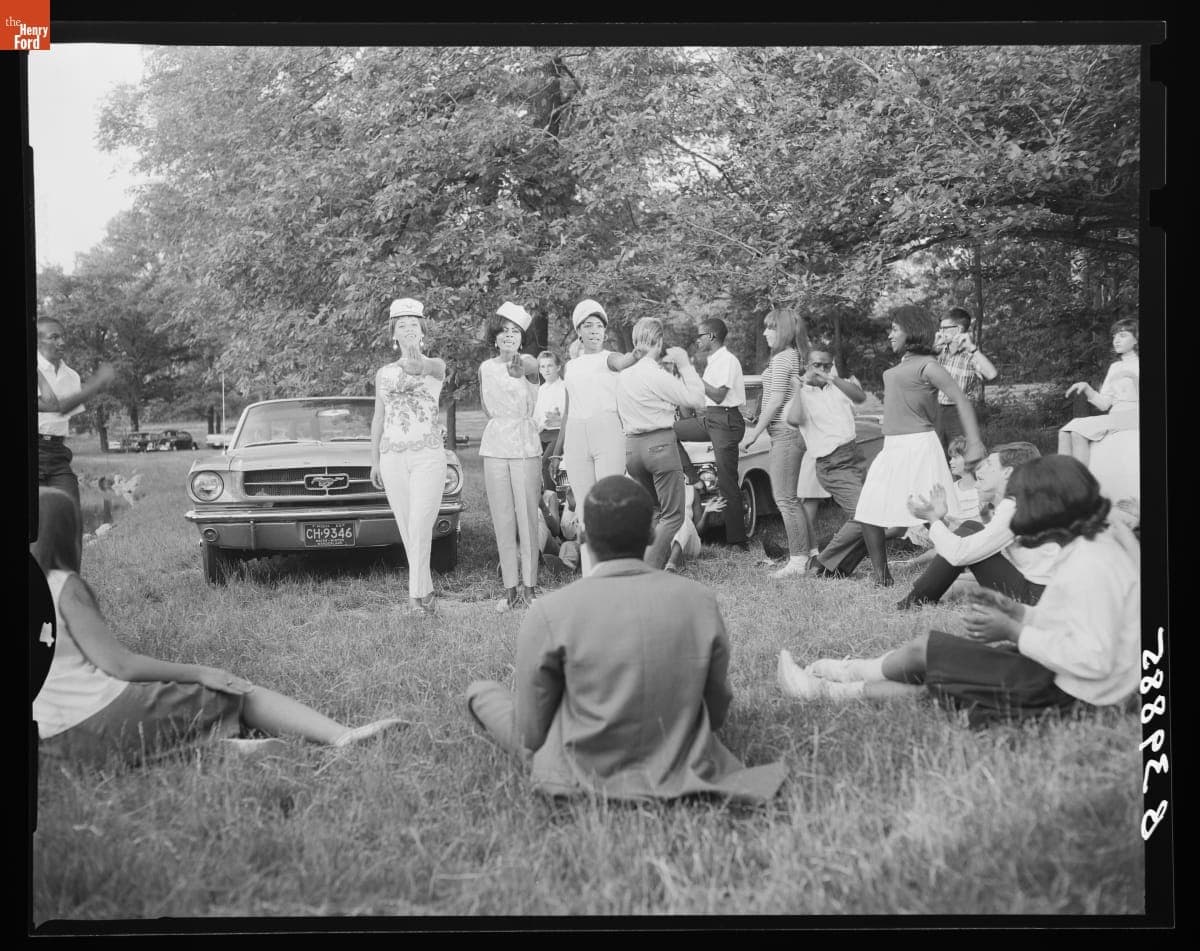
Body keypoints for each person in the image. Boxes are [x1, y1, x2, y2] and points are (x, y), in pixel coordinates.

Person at [464, 476, 787, 804]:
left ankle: (481, 694)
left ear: (584, 535)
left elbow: (530, 735)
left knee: (482, 692)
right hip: (681, 765)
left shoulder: (549, 611)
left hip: (579, 774)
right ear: (651, 534)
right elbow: (716, 714)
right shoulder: (699, 600)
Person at [32, 488, 404, 769]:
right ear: (67, 533)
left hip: (57, 746)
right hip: (101, 717)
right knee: (236, 692)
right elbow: (120, 666)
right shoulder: (63, 584)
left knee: (147, 741)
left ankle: (227, 751)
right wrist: (202, 672)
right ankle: (341, 736)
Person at [777, 456, 1139, 729]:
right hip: (1072, 682)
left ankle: (826, 687)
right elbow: (1081, 625)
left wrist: (1016, 632)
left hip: (1073, 695)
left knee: (937, 678)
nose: (1015, 514)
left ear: (1046, 507)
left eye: (1021, 505)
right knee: (934, 662)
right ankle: (842, 674)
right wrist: (1020, 614)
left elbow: (1094, 658)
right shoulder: (1091, 547)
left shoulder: (1093, 564)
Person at [848, 305, 986, 587]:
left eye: (895, 329)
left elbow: (960, 399)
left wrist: (974, 442)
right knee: (868, 510)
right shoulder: (903, 365)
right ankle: (881, 577)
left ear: (911, 331)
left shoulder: (929, 365)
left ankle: (970, 559)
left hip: (920, 446)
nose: (890, 335)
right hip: (893, 446)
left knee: (934, 514)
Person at [896, 442, 1055, 610]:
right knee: (971, 528)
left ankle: (912, 602)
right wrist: (938, 519)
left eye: (990, 465)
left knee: (966, 540)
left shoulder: (1014, 507)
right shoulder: (1026, 500)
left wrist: (933, 519)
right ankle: (916, 599)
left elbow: (960, 554)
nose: (981, 469)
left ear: (1007, 472)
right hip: (1041, 593)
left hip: (1035, 601)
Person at [783, 346, 892, 583]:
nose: (822, 369)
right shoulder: (800, 394)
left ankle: (832, 566)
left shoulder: (838, 386)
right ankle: (873, 573)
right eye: (816, 365)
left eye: (826, 364)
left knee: (874, 515)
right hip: (832, 464)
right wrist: (799, 389)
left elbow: (861, 398)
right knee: (866, 513)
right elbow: (794, 419)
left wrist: (833, 377)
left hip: (854, 455)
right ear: (806, 366)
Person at [369, 297, 448, 617]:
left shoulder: (436, 365)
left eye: (414, 324)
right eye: (402, 325)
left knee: (419, 525)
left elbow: (429, 368)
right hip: (392, 457)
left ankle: (414, 600)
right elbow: (378, 418)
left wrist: (419, 362)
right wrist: (374, 459)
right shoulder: (383, 374)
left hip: (427, 455)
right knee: (406, 526)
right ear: (394, 335)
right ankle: (426, 593)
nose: (409, 329)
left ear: (422, 331)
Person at [615, 317, 707, 569]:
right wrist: (685, 365)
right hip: (660, 446)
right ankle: (647, 570)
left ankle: (651, 560)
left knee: (653, 511)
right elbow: (697, 399)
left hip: (632, 448)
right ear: (659, 341)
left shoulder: (623, 376)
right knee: (674, 515)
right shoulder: (656, 375)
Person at [479, 302, 543, 613]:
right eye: (503, 331)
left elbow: (528, 368)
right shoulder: (485, 368)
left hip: (525, 444)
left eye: (514, 332)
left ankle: (530, 588)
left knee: (527, 516)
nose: (508, 336)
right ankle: (510, 589)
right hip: (494, 446)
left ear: (521, 338)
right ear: (494, 337)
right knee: (502, 518)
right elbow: (485, 405)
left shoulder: (529, 364)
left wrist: (522, 366)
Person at [739, 308, 812, 579]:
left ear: (782, 331)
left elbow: (776, 399)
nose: (765, 333)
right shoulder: (795, 356)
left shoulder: (783, 358)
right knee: (794, 498)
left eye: (770, 328)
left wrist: (755, 433)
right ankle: (810, 553)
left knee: (785, 499)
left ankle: (797, 561)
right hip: (792, 432)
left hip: (785, 432)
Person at [549, 299, 639, 513]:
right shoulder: (570, 367)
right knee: (583, 501)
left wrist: (636, 355)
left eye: (599, 326)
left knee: (610, 496)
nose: (594, 331)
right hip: (575, 434)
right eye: (588, 325)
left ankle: (615, 545)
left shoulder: (609, 358)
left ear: (605, 332)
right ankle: (588, 546)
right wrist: (556, 451)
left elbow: (623, 362)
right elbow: (568, 411)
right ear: (578, 331)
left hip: (606, 431)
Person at [671, 318, 749, 551]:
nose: (698, 340)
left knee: (727, 481)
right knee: (667, 431)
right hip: (712, 419)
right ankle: (695, 481)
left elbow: (717, 396)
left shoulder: (727, 360)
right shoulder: (714, 361)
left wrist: (692, 376)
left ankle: (737, 541)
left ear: (712, 336)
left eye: (700, 336)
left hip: (726, 420)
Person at [36, 316, 117, 515]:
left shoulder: (71, 376)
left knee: (71, 515)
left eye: (62, 337)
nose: (61, 342)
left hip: (57, 453)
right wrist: (96, 384)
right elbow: (55, 406)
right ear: (37, 341)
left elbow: (66, 410)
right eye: (54, 337)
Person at [1058, 318, 1139, 505]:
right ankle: (1062, 486)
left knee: (1077, 428)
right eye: (1114, 336)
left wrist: (1132, 379)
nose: (1116, 340)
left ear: (1136, 339)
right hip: (1115, 415)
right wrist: (1087, 388)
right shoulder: (1115, 367)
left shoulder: (1141, 364)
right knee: (1065, 431)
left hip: (1134, 415)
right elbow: (1104, 404)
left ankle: (1081, 488)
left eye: (1123, 335)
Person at [933, 307, 998, 452]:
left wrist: (972, 348)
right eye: (940, 328)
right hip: (935, 411)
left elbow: (992, 374)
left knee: (961, 456)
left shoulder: (970, 355)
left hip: (958, 413)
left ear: (958, 329)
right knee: (935, 456)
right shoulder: (937, 352)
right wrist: (933, 347)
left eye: (944, 328)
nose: (940, 332)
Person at [665, 481, 727, 572]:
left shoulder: (691, 491)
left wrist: (706, 513)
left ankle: (671, 564)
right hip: (665, 542)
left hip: (690, 545)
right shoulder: (658, 490)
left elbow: (699, 530)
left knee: (683, 518)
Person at [533, 350, 566, 493]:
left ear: (558, 367)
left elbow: (566, 415)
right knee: (530, 461)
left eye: (550, 366)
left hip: (559, 433)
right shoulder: (541, 389)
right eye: (542, 366)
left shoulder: (564, 387)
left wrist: (558, 419)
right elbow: (537, 417)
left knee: (546, 462)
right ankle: (536, 497)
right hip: (543, 432)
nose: (546, 370)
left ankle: (551, 497)